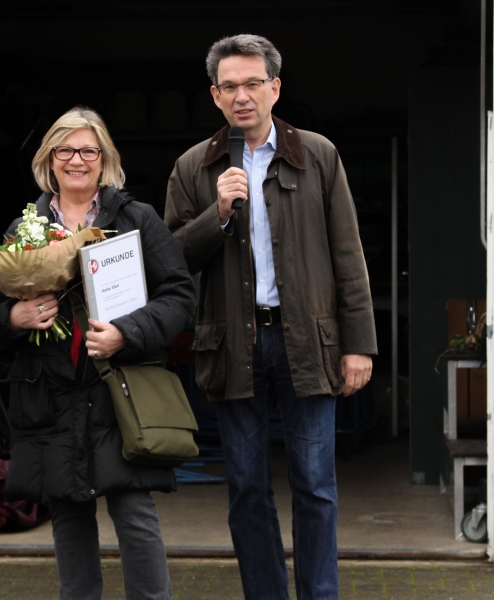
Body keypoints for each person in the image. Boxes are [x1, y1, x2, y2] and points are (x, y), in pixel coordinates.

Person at [165, 34, 377, 599]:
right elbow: (174, 259)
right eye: (229, 86)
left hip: (307, 339)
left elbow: (347, 255)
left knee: (315, 485)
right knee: (246, 488)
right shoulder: (195, 167)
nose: (242, 96)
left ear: (274, 88)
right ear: (214, 95)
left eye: (253, 84)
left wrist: (360, 344)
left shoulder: (318, 154)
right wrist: (219, 211)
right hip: (233, 344)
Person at [0, 107, 195, 600]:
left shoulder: (136, 219)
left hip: (118, 392)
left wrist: (127, 333)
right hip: (49, 396)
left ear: (104, 159)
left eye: (88, 151)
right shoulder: (24, 228)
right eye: (66, 150)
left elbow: (181, 297)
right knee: (69, 518)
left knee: (134, 514)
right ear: (49, 159)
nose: (77, 160)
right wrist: (15, 318)